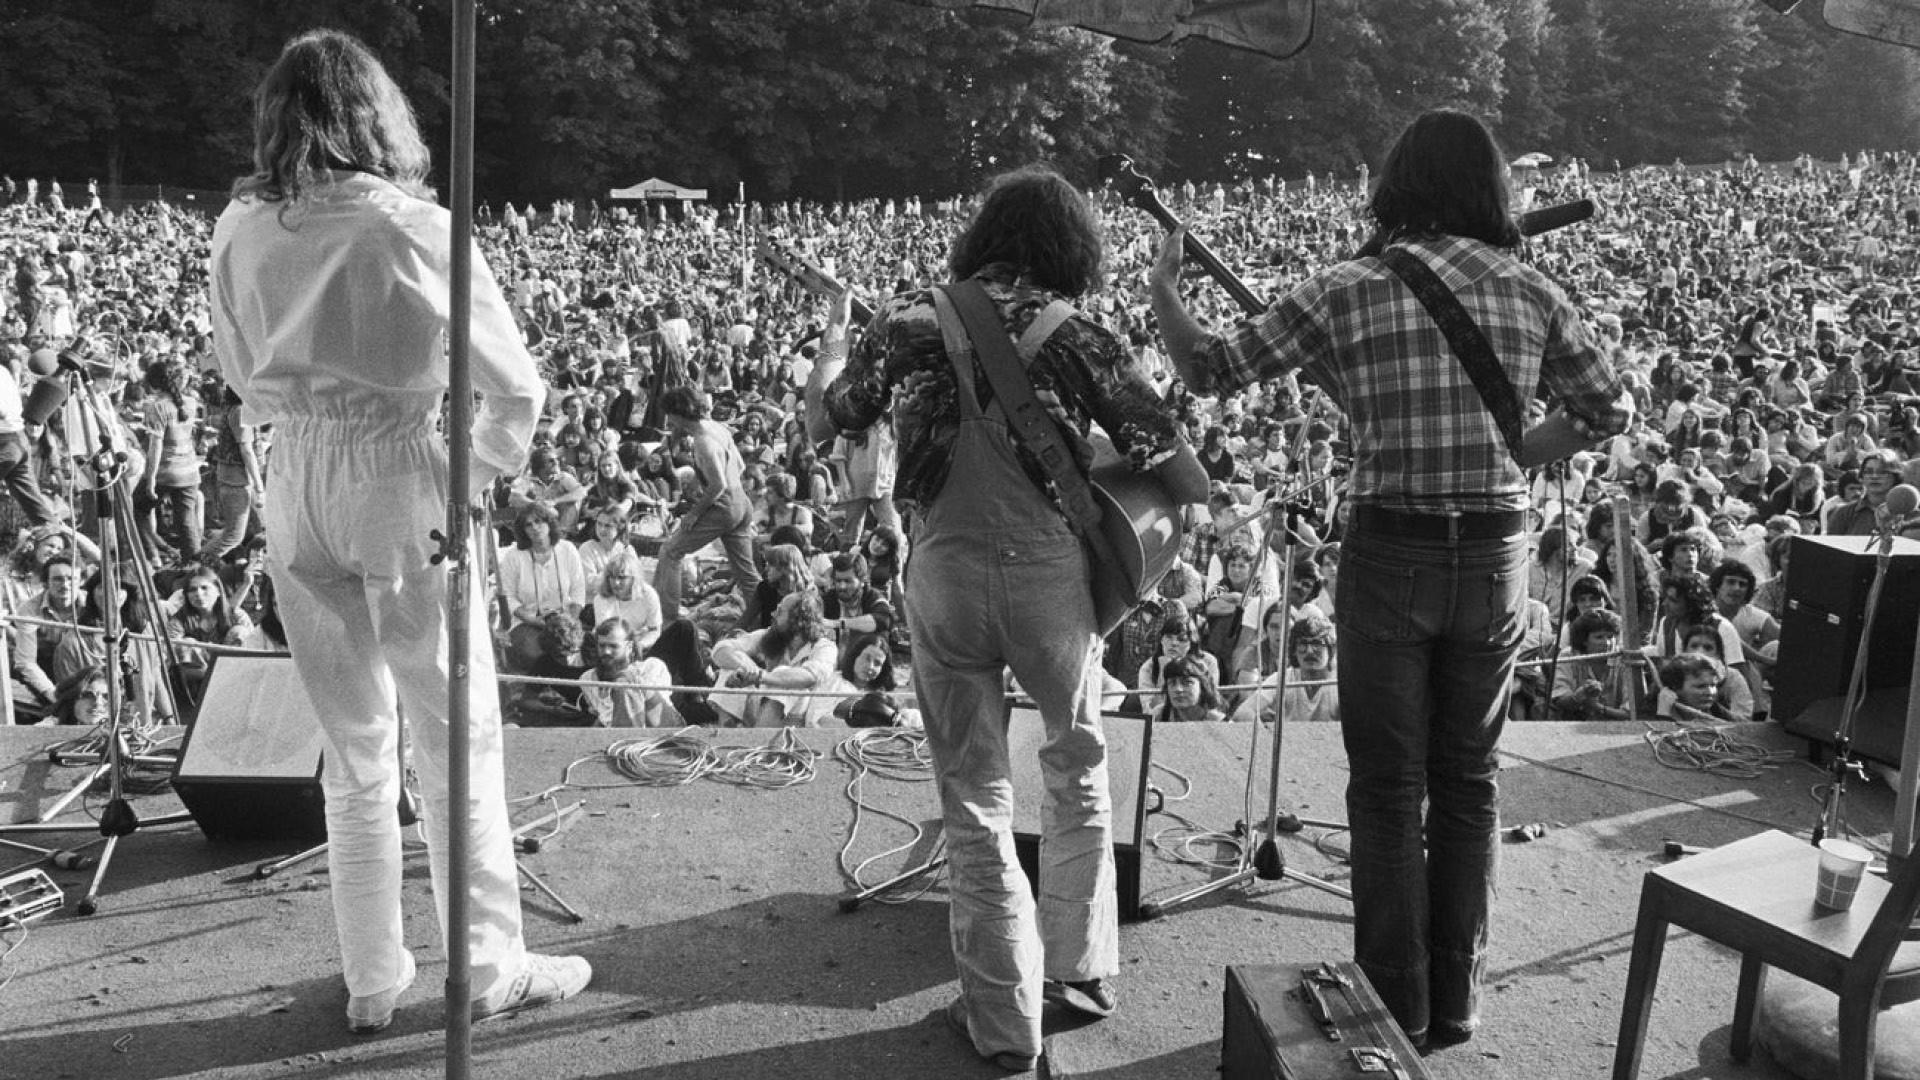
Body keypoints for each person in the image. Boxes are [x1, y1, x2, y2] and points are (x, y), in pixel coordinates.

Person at [1150, 110, 1633, 1049]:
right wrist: (1517, 451)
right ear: (1491, 190)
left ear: (1396, 187)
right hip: (1494, 556)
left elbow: (1209, 369)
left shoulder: (1349, 287)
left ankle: (1393, 1004)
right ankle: (1458, 1001)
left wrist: (1167, 289)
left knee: (1384, 787)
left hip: (1390, 552)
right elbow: (1607, 408)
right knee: (1470, 780)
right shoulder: (1530, 287)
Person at [207, 29, 588, 1035]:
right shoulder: (412, 228)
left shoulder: (239, 228)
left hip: (296, 477)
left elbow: (242, 377)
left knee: (354, 747)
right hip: (396, 474)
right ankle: (489, 965)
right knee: (455, 737)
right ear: (377, 114)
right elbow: (515, 390)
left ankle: (372, 977)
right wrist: (471, 477)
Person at [810, 165, 1208, 1071]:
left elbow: (832, 419)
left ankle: (1002, 1021)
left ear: (982, 237)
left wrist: (832, 344)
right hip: (1050, 582)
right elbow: (1186, 479)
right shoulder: (1084, 338)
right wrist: (1086, 456)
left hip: (944, 573)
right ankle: (1082, 969)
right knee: (1077, 764)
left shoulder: (906, 321)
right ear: (1073, 251)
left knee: (974, 797)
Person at [652, 385, 760, 624]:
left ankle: (668, 620)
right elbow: (740, 466)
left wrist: (694, 514)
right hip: (741, 501)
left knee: (670, 551)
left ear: (679, 413)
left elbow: (718, 485)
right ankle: (764, 620)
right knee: (746, 573)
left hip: (724, 504)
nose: (669, 421)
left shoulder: (702, 441)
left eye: (670, 416)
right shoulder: (718, 427)